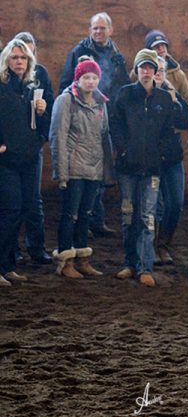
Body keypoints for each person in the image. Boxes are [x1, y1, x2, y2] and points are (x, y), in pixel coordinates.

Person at [110, 49, 187, 287]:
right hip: (127, 167)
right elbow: (115, 125)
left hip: (152, 167)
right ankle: (130, 262)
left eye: (150, 68)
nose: (146, 72)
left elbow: (171, 128)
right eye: (142, 68)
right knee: (128, 216)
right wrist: (123, 150)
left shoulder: (165, 98)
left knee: (147, 217)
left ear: (155, 72)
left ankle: (145, 266)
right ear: (137, 70)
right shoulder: (124, 95)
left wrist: (159, 152)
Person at [60, 13, 131, 239]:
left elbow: (124, 89)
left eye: (102, 28)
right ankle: (83, 222)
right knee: (81, 173)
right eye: (94, 28)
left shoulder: (116, 55)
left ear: (111, 30)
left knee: (99, 170)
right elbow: (66, 82)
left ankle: (94, 219)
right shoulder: (79, 52)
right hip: (81, 119)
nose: (98, 32)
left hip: (106, 117)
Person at [49, 57, 110, 278]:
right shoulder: (65, 101)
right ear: (78, 78)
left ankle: (83, 259)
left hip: (93, 168)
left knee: (86, 214)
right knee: (70, 215)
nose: (91, 81)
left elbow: (104, 136)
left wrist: (105, 169)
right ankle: (65, 261)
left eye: (94, 77)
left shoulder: (101, 103)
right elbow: (58, 135)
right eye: (86, 77)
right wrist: (61, 171)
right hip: (73, 168)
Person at [0, 38, 51, 284]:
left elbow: (42, 126)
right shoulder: (1, 88)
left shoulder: (31, 90)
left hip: (28, 159)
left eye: (23, 58)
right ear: (6, 60)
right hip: (7, 160)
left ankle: (8, 265)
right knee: (9, 211)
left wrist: (42, 114)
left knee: (21, 210)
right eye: (14, 57)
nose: (19, 62)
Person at [150, 55, 188, 267]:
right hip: (151, 157)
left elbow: (186, 121)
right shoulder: (141, 95)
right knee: (155, 205)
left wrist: (175, 103)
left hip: (172, 156)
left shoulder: (172, 93)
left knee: (175, 203)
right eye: (154, 69)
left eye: (161, 70)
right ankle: (153, 246)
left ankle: (164, 242)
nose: (158, 74)